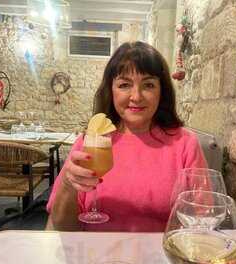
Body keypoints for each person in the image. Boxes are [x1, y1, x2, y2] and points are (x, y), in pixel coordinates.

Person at [46, 41, 207, 232]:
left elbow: (201, 220)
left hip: (160, 258)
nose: (136, 96)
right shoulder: (91, 140)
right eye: (124, 85)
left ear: (161, 91)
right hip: (96, 257)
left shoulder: (185, 144)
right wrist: (67, 183)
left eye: (148, 85)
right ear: (111, 90)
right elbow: (61, 227)